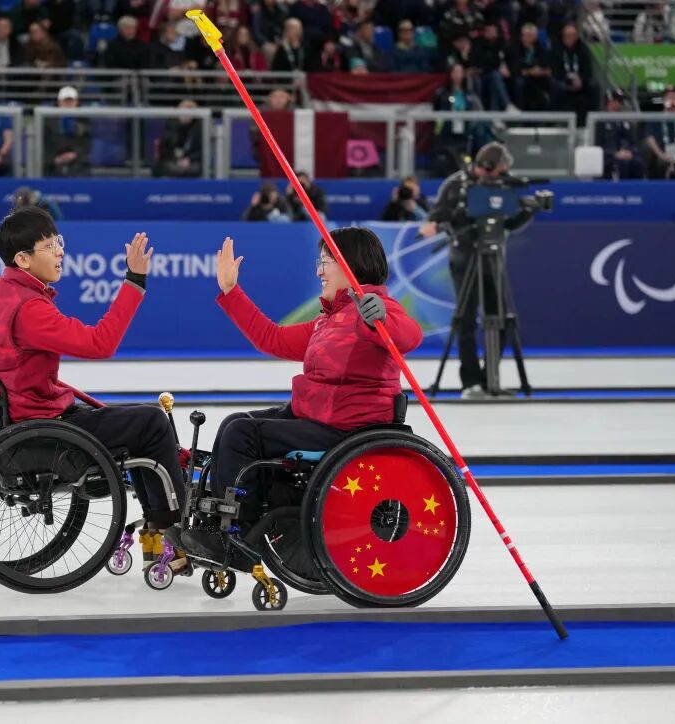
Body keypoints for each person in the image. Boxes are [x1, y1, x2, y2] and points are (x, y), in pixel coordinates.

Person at [171, 231, 422, 563]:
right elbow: (272, 339)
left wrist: (382, 319)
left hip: (345, 428)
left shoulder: (375, 311)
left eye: (325, 262)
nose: (319, 271)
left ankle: (236, 537)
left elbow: (409, 337)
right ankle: (220, 523)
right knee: (235, 422)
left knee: (242, 433)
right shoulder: (328, 321)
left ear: (350, 264)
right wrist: (231, 291)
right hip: (314, 416)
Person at [0, 208, 188, 536]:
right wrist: (134, 282)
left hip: (9, 418)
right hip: (39, 427)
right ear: (23, 259)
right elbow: (100, 344)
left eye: (58, 242)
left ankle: (160, 525)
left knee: (129, 424)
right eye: (49, 246)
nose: (60, 252)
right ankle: (175, 530)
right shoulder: (30, 309)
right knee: (151, 423)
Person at [419, 142, 535, 398]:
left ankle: (490, 379)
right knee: (467, 320)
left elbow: (510, 222)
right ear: (484, 166)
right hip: (465, 259)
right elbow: (438, 213)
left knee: (501, 319)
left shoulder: (503, 184)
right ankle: (470, 382)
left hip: (493, 259)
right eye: (493, 171)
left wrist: (529, 210)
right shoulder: (456, 185)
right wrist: (434, 223)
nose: (495, 177)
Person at [643, 87, 675, 180]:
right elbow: (650, 138)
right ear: (664, 100)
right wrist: (661, 154)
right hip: (662, 155)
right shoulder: (655, 118)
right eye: (669, 98)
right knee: (660, 167)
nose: (671, 101)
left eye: (674, 98)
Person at [596, 90, 644, 181]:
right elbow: (598, 144)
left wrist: (630, 152)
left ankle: (638, 189)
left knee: (637, 163)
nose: (620, 104)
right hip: (608, 156)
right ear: (610, 102)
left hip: (625, 154)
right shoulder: (600, 122)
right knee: (622, 163)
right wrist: (614, 153)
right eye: (617, 101)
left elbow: (633, 141)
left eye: (620, 101)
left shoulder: (625, 122)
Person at [43, 85, 91, 176]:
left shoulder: (84, 120)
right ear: (59, 102)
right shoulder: (48, 121)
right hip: (53, 164)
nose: (68, 104)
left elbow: (87, 144)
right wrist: (55, 159)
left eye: (71, 101)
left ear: (76, 102)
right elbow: (44, 144)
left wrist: (74, 155)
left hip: (78, 163)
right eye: (65, 101)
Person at [153, 98, 202, 177]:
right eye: (181, 112)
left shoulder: (199, 128)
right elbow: (164, 148)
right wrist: (176, 160)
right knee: (168, 168)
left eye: (187, 113)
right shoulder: (170, 125)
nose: (184, 116)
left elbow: (201, 150)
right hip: (171, 159)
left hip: (191, 161)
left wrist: (189, 159)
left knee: (194, 169)